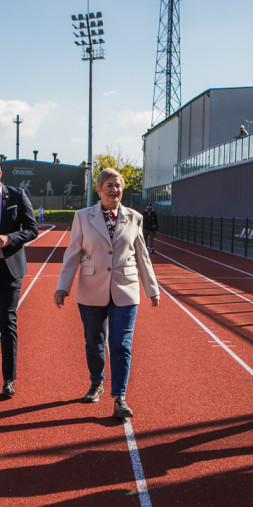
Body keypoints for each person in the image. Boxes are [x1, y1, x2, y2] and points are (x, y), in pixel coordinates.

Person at [54, 168, 159, 419]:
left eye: (118, 186)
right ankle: (96, 381)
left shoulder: (134, 217)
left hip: (126, 288)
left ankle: (120, 397)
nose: (115, 190)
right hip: (91, 289)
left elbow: (142, 255)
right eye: (109, 186)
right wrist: (62, 286)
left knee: (121, 344)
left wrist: (151, 289)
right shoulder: (82, 217)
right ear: (99, 190)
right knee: (94, 341)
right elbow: (72, 253)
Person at [0, 156, 39, 397]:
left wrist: (10, 238)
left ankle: (9, 379)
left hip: (10, 269)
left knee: (7, 321)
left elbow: (32, 230)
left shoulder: (17, 195)